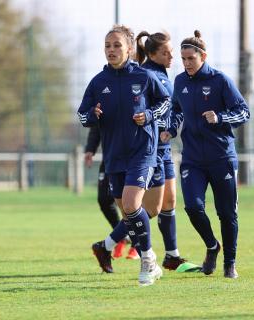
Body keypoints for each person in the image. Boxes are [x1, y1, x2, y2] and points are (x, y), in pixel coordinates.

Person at [77, 25, 170, 286]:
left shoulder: (144, 77)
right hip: (114, 156)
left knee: (130, 204)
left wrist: (149, 115)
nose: (111, 50)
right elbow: (82, 115)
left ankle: (146, 261)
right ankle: (150, 257)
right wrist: (91, 115)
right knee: (128, 211)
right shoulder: (98, 82)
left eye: (117, 45)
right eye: (107, 45)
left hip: (143, 152)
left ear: (129, 49)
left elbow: (164, 103)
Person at [162, 30, 250, 279]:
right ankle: (212, 246)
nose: (186, 63)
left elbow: (243, 112)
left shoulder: (220, 80)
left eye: (190, 58)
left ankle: (229, 264)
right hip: (192, 158)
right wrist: (170, 129)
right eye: (183, 58)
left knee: (226, 213)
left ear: (203, 56)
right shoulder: (179, 81)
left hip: (221, 157)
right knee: (192, 207)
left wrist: (220, 117)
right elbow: (177, 110)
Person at [136, 30, 188, 271]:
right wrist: (160, 129)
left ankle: (172, 256)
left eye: (171, 52)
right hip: (152, 149)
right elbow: (143, 113)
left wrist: (172, 129)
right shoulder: (146, 75)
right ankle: (107, 244)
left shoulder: (164, 75)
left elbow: (173, 109)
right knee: (151, 209)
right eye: (166, 53)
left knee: (170, 200)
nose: (171, 57)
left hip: (165, 147)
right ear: (152, 54)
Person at [84, 126, 139, 259]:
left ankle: (137, 245)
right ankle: (123, 236)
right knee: (104, 199)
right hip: (110, 157)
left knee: (132, 203)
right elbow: (97, 124)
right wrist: (90, 149)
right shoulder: (103, 105)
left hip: (134, 157)